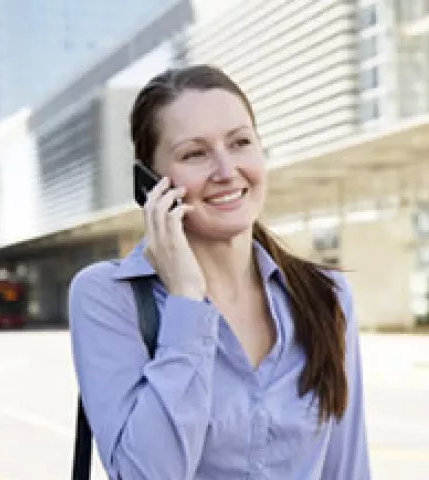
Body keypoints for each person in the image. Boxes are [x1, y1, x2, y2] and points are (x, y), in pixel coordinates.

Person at [67, 64, 371, 479]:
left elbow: (348, 469)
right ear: (149, 182)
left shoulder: (326, 294)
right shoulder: (107, 295)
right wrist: (186, 303)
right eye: (195, 154)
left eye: (240, 143)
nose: (226, 171)